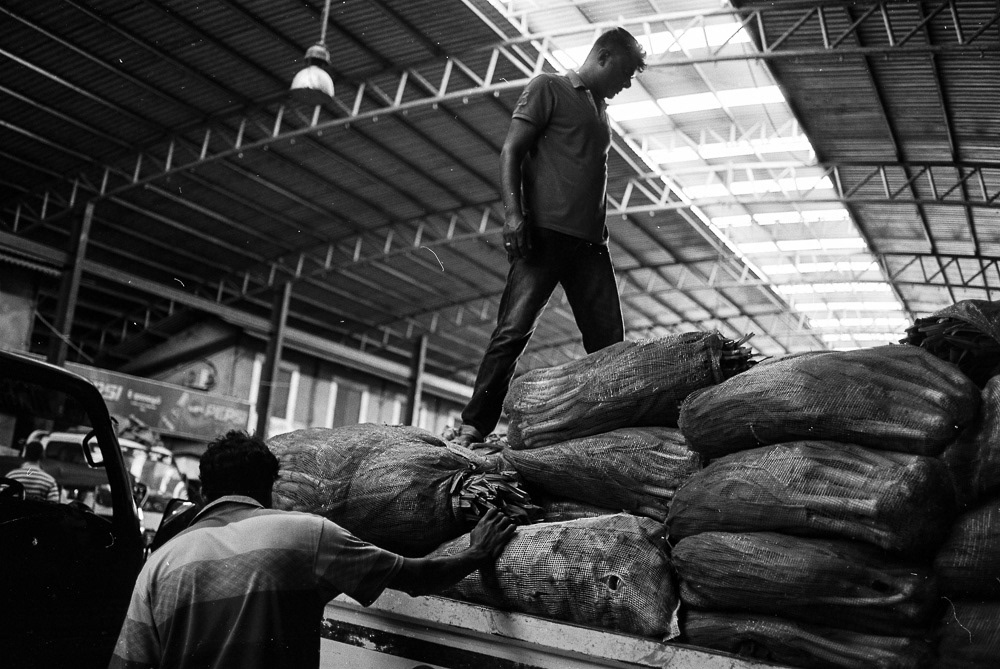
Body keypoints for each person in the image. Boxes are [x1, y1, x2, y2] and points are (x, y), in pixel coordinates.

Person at [108, 430, 516, 669]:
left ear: (204, 490)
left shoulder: (159, 565)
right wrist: (475, 553)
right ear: (270, 486)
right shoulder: (307, 535)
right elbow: (416, 577)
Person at [453, 27, 647, 446]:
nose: (628, 83)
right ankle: (473, 425)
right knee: (513, 330)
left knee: (610, 343)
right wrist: (514, 216)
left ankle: (609, 427)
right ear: (605, 57)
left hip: (591, 244)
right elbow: (512, 150)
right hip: (544, 233)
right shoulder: (549, 88)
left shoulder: (600, 109)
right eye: (627, 73)